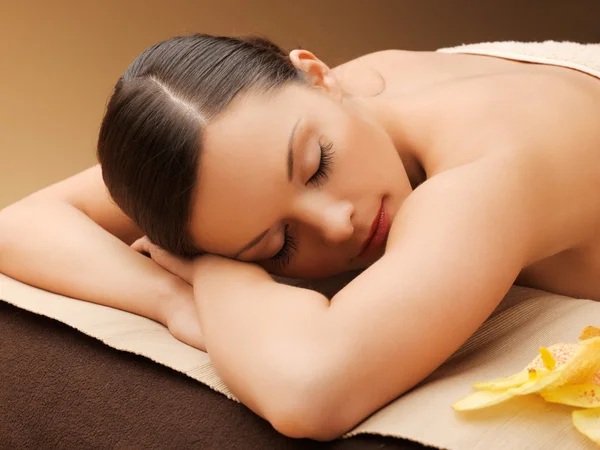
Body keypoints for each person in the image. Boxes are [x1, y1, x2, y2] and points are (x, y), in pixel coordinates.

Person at [1, 33, 599, 440]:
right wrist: (170, 298)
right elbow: (20, 225)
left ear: (316, 75)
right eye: (276, 245)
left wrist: (213, 268)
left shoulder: (495, 165)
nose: (336, 224)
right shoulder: (282, 127)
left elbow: (309, 392)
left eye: (318, 164)